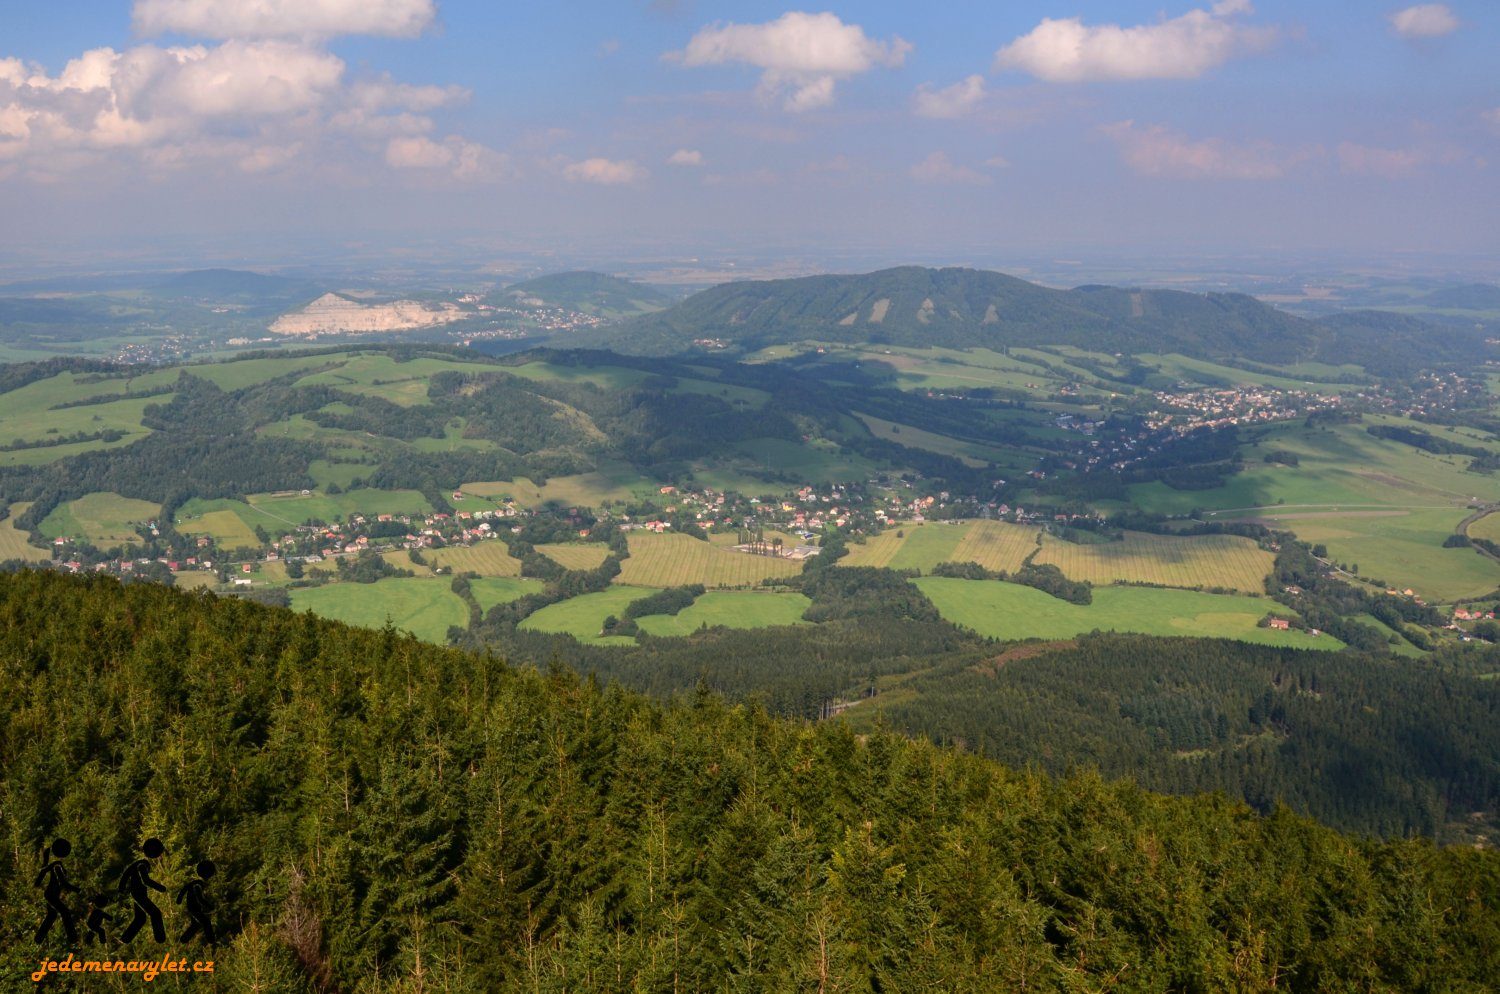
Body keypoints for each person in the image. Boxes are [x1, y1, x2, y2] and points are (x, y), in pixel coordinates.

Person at [118, 838, 167, 943]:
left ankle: (125, 939)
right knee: (155, 913)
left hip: (137, 893)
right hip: (138, 894)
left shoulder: (139, 864)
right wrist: (161, 888)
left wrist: (121, 888)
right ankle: (160, 938)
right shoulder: (142, 865)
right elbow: (146, 880)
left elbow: (127, 873)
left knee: (140, 918)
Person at [34, 838, 78, 945]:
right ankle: (72, 938)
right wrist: (78, 890)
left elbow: (43, 870)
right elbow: (64, 883)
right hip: (51, 895)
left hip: (51, 894)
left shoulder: (55, 864)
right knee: (65, 912)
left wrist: (37, 883)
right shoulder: (57, 866)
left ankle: (39, 938)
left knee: (52, 915)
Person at [176, 859, 216, 945]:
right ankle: (211, 940)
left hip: (192, 907)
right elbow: (200, 898)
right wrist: (210, 906)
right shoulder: (198, 885)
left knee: (196, 924)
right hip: (194, 908)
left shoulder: (194, 883)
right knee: (206, 922)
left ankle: (183, 939)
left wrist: (179, 899)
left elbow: (184, 890)